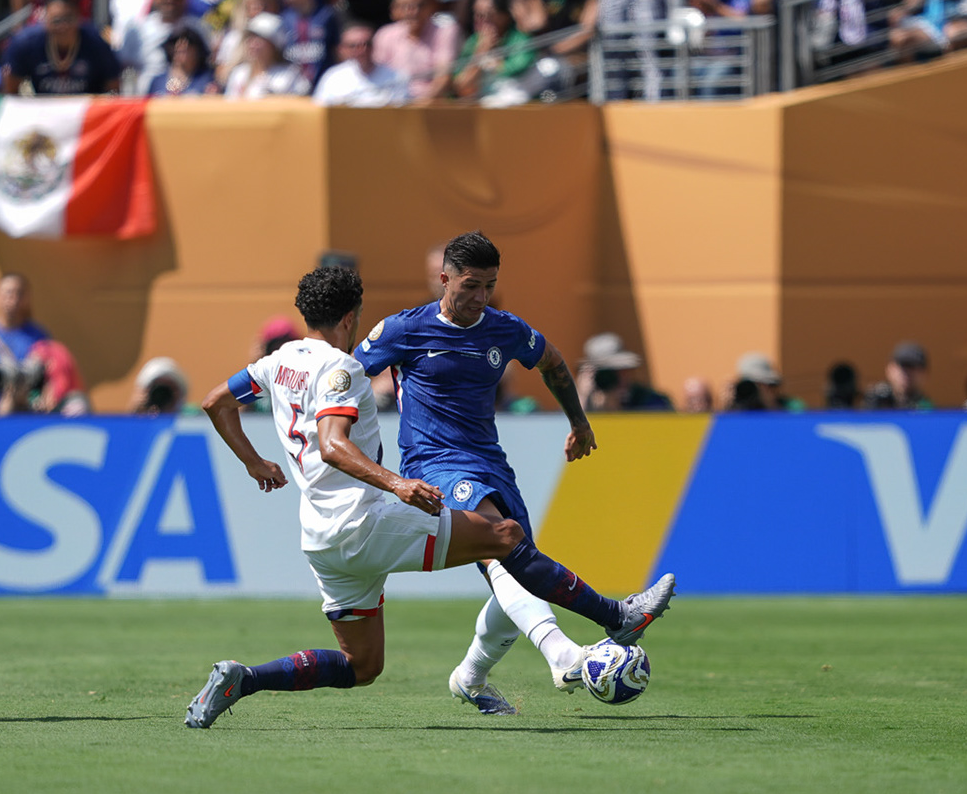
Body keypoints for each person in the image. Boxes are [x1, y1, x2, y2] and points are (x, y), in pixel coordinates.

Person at [186, 265, 527, 726]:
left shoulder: (277, 361)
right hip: (365, 523)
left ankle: (242, 678)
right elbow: (333, 446)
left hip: (320, 539)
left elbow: (215, 403)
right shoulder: (340, 366)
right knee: (504, 534)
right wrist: (398, 484)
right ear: (350, 317)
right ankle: (600, 628)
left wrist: (253, 461)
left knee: (362, 666)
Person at [353, 231, 677, 714]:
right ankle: (595, 630)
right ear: (444, 279)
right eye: (471, 285)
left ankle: (471, 676)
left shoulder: (502, 328)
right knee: (502, 544)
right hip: (434, 464)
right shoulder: (404, 330)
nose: (481, 297)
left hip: (490, 462)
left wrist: (578, 420)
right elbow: (344, 378)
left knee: (520, 566)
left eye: (490, 286)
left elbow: (552, 363)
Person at [3, 0, 121, 94]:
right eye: (56, 21)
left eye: (68, 19)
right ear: (45, 21)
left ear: (79, 18)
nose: (63, 26)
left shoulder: (97, 42)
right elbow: (11, 88)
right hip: (43, 110)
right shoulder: (25, 43)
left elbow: (113, 87)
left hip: (87, 111)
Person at [373, 0, 459, 101]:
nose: (413, 12)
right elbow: (378, 77)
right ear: (393, 10)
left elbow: (444, 78)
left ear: (431, 7)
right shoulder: (384, 35)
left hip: (431, 106)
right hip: (392, 104)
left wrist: (417, 109)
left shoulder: (445, 31)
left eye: (419, 5)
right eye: (405, 6)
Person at [451, 0, 533, 101]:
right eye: (477, 14)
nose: (480, 20)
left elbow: (516, 69)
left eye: (488, 15)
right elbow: (461, 85)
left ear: (505, 17)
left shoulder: (520, 39)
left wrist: (495, 64)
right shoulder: (473, 42)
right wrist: (481, 52)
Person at [0, 274, 52, 374]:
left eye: (19, 293)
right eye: (7, 293)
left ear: (27, 299)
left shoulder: (38, 335)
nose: (13, 298)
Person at [311, 21, 409, 104]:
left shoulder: (396, 78)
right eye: (353, 46)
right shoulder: (333, 78)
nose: (361, 50)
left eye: (366, 44)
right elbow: (320, 110)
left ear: (374, 46)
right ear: (342, 49)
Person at [277, 0, 339, 85]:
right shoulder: (283, 19)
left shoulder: (328, 16)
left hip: (324, 86)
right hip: (292, 89)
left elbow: (338, 52)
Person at [223, 13, 313, 98]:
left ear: (274, 46)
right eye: (251, 38)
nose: (253, 44)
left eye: (260, 40)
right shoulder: (239, 73)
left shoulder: (290, 75)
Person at [577, 332, 673, 410]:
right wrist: (582, 398)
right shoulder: (587, 403)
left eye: (623, 370)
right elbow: (568, 429)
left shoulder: (651, 400)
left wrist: (618, 409)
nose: (619, 379)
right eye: (609, 373)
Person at [147, 24, 217, 96]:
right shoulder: (158, 81)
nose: (180, 49)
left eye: (186, 48)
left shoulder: (206, 80)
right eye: (176, 45)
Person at [866, 341, 934, 408]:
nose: (906, 373)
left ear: (923, 373)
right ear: (890, 368)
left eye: (912, 367)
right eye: (902, 367)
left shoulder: (924, 406)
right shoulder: (877, 397)